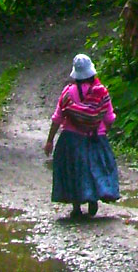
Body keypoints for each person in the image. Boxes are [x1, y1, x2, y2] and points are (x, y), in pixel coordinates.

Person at [44, 54, 120, 218]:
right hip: (95, 138)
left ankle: (76, 207)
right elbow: (109, 117)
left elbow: (57, 118)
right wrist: (104, 130)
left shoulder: (67, 93)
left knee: (74, 170)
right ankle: (93, 199)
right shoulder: (101, 92)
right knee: (95, 168)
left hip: (71, 139)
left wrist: (50, 140)